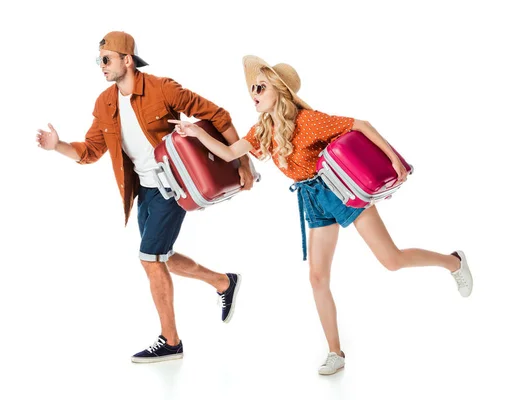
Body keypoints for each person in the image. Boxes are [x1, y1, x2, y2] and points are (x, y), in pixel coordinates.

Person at [169, 55, 473, 375]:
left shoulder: (308, 120)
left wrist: (393, 158)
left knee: (391, 259)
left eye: (259, 87)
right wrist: (195, 133)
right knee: (317, 278)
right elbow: (231, 153)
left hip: (339, 190)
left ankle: (453, 261)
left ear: (279, 90)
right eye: (251, 89)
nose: (253, 93)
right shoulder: (263, 130)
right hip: (312, 199)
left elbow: (360, 125)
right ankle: (335, 352)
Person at [36, 31, 254, 363]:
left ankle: (171, 342)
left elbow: (218, 115)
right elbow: (91, 150)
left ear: (127, 59)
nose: (101, 66)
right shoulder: (105, 103)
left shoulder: (161, 88)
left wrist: (241, 162)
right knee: (159, 256)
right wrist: (59, 147)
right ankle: (223, 282)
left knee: (149, 258)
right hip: (144, 191)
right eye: (99, 60)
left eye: (106, 59)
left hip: (175, 186)